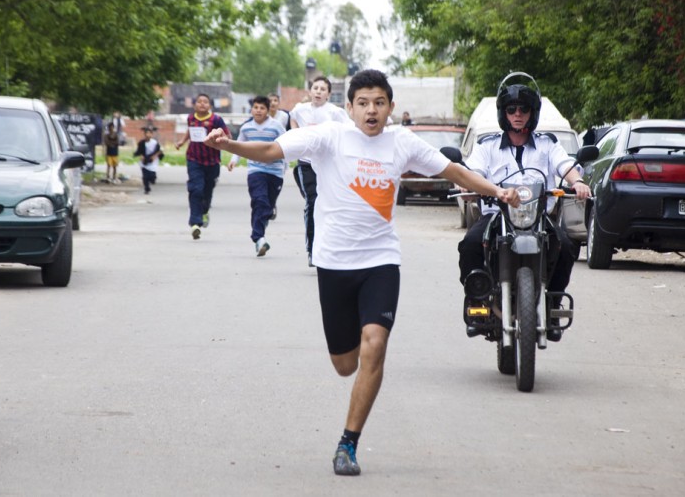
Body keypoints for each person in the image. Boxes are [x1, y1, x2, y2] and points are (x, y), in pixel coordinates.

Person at [204, 69, 519, 477]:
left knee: (375, 344)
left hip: (380, 263)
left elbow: (452, 172)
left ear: (390, 107)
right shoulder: (328, 137)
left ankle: (347, 443)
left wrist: (496, 191)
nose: (371, 111)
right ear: (349, 108)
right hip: (334, 264)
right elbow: (270, 152)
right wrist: (229, 144)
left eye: (379, 103)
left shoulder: (401, 142)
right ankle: (352, 343)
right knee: (344, 364)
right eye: (363, 103)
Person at [457, 74, 591, 341]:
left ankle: (552, 306)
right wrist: (467, 188)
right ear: (503, 113)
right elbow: (473, 174)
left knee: (565, 246)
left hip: (538, 217)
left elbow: (566, 167)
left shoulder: (547, 144)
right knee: (470, 244)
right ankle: (479, 302)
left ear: (533, 112)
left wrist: (578, 183)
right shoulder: (488, 146)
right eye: (511, 109)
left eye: (523, 109)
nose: (517, 114)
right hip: (497, 216)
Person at [288, 76, 350, 266]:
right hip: (307, 163)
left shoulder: (335, 113)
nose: (318, 92)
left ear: (329, 94)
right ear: (310, 91)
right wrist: (296, 135)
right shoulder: (301, 110)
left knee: (330, 203)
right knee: (313, 202)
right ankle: (312, 250)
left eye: (323, 89)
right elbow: (292, 118)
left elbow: (347, 131)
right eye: (315, 88)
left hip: (328, 164)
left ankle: (333, 246)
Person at [227, 96, 286, 256]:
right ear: (251, 109)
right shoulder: (246, 128)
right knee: (260, 201)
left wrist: (285, 167)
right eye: (256, 107)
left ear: (268, 111)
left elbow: (286, 145)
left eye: (262, 108)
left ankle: (260, 229)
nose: (258, 110)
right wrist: (234, 160)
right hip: (255, 171)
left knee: (266, 207)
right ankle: (259, 238)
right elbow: (239, 145)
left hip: (275, 172)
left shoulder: (276, 126)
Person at [175, 93, 227, 240]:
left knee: (207, 189)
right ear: (194, 105)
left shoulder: (216, 119)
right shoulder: (191, 118)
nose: (202, 104)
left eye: (205, 102)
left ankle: (204, 211)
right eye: (199, 102)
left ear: (209, 105)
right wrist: (181, 142)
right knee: (195, 188)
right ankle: (195, 223)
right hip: (194, 158)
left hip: (212, 161)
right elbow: (190, 132)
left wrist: (220, 140)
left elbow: (227, 135)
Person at [133, 126, 163, 195]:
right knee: (145, 177)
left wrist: (154, 156)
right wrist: (141, 156)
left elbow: (160, 151)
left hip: (152, 161)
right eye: (146, 133)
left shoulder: (155, 143)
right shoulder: (141, 143)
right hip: (144, 161)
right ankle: (147, 188)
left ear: (152, 134)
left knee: (152, 176)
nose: (148, 135)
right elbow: (139, 151)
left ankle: (153, 179)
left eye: (149, 133)